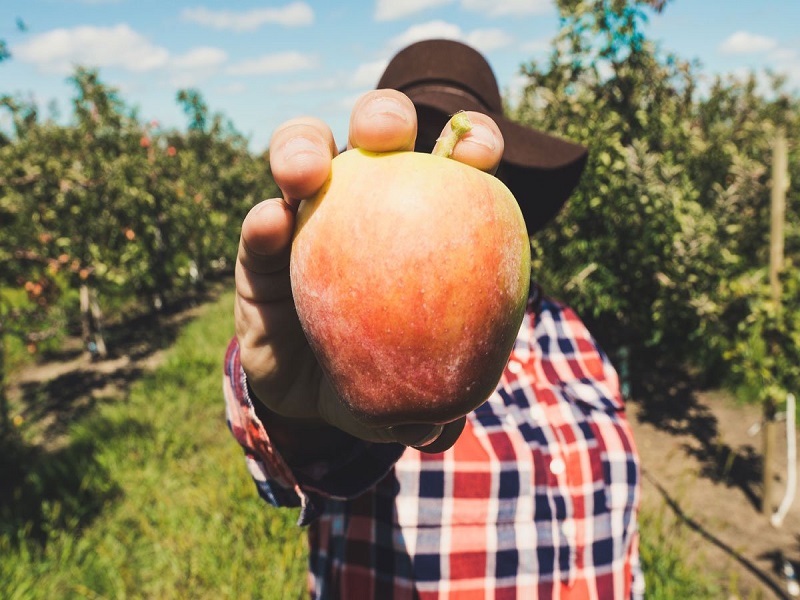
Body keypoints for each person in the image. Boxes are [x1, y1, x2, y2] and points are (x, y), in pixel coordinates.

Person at [224, 39, 643, 599]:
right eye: (414, 150)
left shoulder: (572, 334)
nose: (433, 167)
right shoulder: (343, 352)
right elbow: (317, 462)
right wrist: (298, 413)